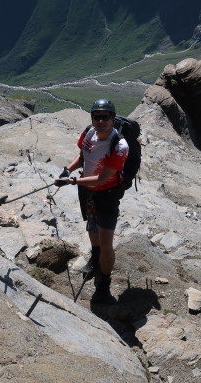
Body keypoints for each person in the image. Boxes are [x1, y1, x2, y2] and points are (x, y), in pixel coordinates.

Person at [55, 98, 128, 305]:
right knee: (91, 227)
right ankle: (95, 259)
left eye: (105, 117)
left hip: (107, 194)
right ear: (92, 118)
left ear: (113, 118)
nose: (101, 121)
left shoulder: (119, 145)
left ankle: (104, 284)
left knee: (106, 242)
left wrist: (72, 180)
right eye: (97, 116)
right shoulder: (89, 132)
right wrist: (67, 169)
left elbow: (103, 178)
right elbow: (83, 156)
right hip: (87, 191)